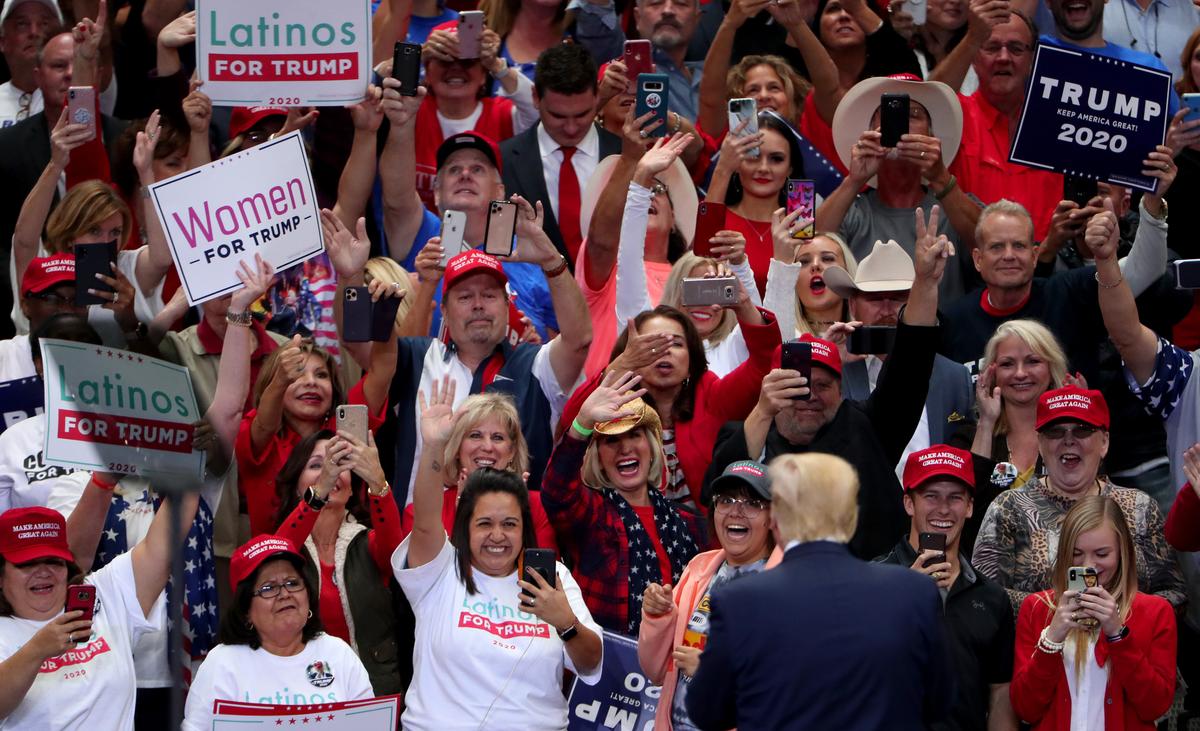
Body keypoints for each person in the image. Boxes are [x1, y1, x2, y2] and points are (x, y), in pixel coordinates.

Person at [706, 206, 949, 560]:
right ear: (773, 387)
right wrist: (762, 411)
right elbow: (715, 490)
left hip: (868, 584)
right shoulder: (746, 433)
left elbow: (911, 365)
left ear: (841, 388)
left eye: (823, 385)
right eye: (798, 384)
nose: (810, 395)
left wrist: (925, 284)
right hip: (775, 588)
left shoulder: (870, 426)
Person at [685, 453, 953, 730]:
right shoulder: (913, 592)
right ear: (852, 516)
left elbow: (708, 712)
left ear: (776, 517)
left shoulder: (738, 602)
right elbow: (939, 703)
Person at [392, 377, 602, 729]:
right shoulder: (440, 572)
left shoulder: (551, 579)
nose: (497, 536)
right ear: (463, 526)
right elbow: (426, 522)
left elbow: (591, 665)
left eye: (509, 524)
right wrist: (431, 447)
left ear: (525, 527)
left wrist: (565, 622)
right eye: (484, 523)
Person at [371, 186, 593, 499]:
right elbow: (378, 364)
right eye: (465, 296)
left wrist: (550, 262)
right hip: (424, 539)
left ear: (507, 305)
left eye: (489, 295)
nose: (478, 304)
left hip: (513, 537)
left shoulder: (536, 363)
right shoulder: (420, 357)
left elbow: (579, 340)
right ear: (445, 311)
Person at [972, 386, 1185, 613]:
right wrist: (1058, 610)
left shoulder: (1140, 507)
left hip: (1125, 643)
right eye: (1055, 431)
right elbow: (984, 598)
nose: (1068, 440)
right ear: (1040, 444)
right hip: (1038, 643)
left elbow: (1175, 594)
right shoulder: (1009, 507)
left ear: (1104, 442)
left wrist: (1118, 613)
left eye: (1082, 430)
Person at [376, 78, 558, 338]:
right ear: (436, 193)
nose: (464, 174)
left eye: (477, 169)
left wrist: (537, 351)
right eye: (453, 169)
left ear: (499, 191)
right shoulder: (421, 232)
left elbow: (566, 340)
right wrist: (402, 124)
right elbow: (396, 198)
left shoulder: (528, 252)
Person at [0, 495, 197, 729]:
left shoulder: (103, 592)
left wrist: (190, 467)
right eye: (27, 564)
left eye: (55, 561)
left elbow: (163, 544)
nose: (43, 572)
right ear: (1, 576)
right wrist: (36, 650)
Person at [561, 302, 780, 510]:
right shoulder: (613, 404)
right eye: (652, 345)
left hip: (708, 538)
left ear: (691, 359)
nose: (666, 351)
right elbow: (571, 425)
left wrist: (743, 305)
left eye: (676, 344)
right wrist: (619, 368)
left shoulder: (712, 395)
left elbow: (766, 363)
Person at [940, 194, 1171, 381]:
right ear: (978, 259)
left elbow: (1145, 270)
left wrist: (1152, 203)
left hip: (1071, 437)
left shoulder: (1069, 294)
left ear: (1034, 256)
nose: (1008, 255)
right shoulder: (953, 321)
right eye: (997, 247)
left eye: (1019, 246)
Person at [542, 375, 706, 635]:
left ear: (651, 447)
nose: (625, 448)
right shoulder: (592, 515)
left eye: (634, 435)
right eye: (611, 441)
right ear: (598, 457)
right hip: (611, 666)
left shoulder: (691, 523)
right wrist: (582, 423)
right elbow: (556, 491)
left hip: (678, 662)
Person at [877, 445, 1018, 731]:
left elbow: (1000, 692)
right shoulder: (871, 581)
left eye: (955, 497)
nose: (943, 509)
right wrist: (904, 598)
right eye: (931, 496)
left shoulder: (991, 597)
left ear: (968, 507)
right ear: (908, 504)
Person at [1009, 496, 1177, 730]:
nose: (1088, 565)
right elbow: (1025, 708)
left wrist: (1118, 635)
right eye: (1077, 553)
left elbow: (1155, 705)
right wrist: (1052, 640)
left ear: (1122, 552)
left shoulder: (1155, 612)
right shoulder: (1037, 608)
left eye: (1101, 554)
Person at [235, 298, 399, 535]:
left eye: (321, 375)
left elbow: (383, 369)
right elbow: (264, 424)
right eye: (298, 374)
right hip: (282, 566)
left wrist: (386, 312)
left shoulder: (347, 428)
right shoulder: (260, 440)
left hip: (348, 560)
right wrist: (281, 379)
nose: (311, 382)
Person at [182, 535, 374, 730]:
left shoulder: (338, 653)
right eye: (268, 588)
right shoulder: (222, 663)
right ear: (245, 611)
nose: (284, 594)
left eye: (292, 583)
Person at [638, 459, 774, 731]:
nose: (736, 511)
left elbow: (787, 692)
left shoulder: (785, 587)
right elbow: (654, 671)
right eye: (726, 500)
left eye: (751, 503)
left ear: (773, 517)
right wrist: (657, 616)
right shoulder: (699, 568)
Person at [819, 74, 978, 302]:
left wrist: (941, 178)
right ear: (870, 132)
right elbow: (806, 251)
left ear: (931, 135)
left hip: (943, 334)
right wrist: (854, 180)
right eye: (887, 115)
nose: (902, 125)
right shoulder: (853, 211)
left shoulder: (954, 205)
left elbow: (992, 247)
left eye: (913, 115)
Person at [270, 429, 406, 696]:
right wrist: (319, 491)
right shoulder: (286, 541)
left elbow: (395, 554)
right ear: (297, 485)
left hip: (371, 691)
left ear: (353, 487)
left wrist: (378, 481)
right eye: (316, 465)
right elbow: (277, 562)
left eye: (338, 464)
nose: (329, 471)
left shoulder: (368, 541)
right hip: (301, 693)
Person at [825, 239, 974, 471]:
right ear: (853, 305)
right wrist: (827, 365)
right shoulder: (832, 369)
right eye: (874, 299)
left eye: (898, 298)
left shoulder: (955, 377)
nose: (886, 309)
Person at [575, 116, 699, 377]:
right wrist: (630, 161)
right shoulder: (603, 268)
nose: (646, 195)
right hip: (613, 404)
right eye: (636, 193)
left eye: (658, 189)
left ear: (674, 220)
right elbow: (601, 241)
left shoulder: (691, 276)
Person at [929, 8, 1063, 242]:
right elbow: (928, 101)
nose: (1003, 57)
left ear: (1033, 60)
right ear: (972, 57)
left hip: (1051, 265)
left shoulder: (1060, 123)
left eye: (1016, 48)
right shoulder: (955, 114)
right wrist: (973, 37)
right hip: (967, 265)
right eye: (991, 47)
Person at [500, 43, 621, 265]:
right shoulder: (503, 161)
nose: (571, 128)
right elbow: (498, 247)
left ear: (597, 94)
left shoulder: (626, 157)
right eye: (558, 116)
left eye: (582, 114)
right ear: (536, 97)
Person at [404, 20, 537, 213]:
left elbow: (538, 110)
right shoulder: (410, 111)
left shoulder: (502, 113)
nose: (456, 69)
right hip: (421, 236)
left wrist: (497, 65)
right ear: (427, 73)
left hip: (491, 238)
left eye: (467, 61)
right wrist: (419, 55)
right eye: (444, 60)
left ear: (484, 75)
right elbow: (378, 86)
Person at [397, 392, 557, 551]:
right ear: (458, 449)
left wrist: (521, 515)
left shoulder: (537, 506)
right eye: (475, 436)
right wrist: (462, 519)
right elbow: (425, 571)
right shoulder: (424, 513)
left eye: (497, 437)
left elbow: (542, 574)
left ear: (512, 451)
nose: (487, 447)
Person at [708, 111, 810, 294]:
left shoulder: (801, 226)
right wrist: (722, 168)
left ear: (790, 168)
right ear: (736, 163)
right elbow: (695, 272)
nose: (763, 168)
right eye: (753, 156)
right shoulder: (715, 219)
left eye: (776, 159)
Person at [965, 320, 1068, 493]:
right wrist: (986, 423)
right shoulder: (968, 437)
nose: (1020, 373)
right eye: (1007, 364)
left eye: (1033, 361)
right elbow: (969, 503)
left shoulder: (1074, 435)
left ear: (1051, 369)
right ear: (992, 373)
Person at [762, 217, 859, 338]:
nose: (815, 265)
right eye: (804, 262)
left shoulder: (867, 340)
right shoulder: (783, 336)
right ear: (792, 280)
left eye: (827, 258)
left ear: (848, 271)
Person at [0, 253, 83, 381]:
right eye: (52, 298)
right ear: (26, 306)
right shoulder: (4, 357)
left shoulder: (105, 365)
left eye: (77, 301)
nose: (67, 310)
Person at [0, 0, 61, 128]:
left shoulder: (74, 96)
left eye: (44, 24)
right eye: (22, 24)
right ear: (2, 41)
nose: (34, 32)